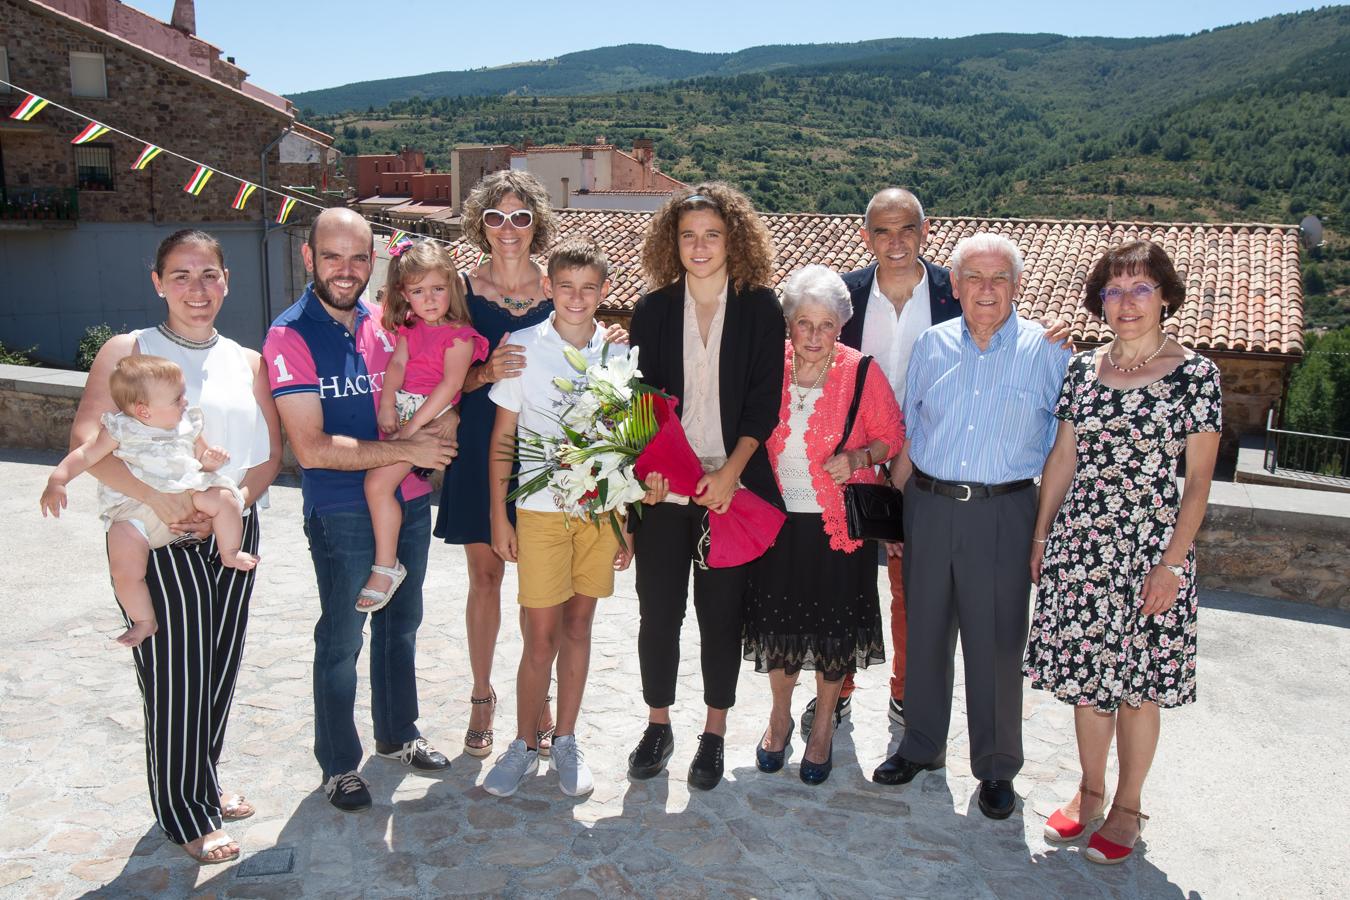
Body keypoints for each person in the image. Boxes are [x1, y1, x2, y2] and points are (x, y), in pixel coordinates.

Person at [66, 229, 282, 864]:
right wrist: (161, 501)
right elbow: (87, 444)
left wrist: (235, 504)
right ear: (157, 282)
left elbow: (267, 453)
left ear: (226, 281)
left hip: (229, 528)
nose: (197, 288)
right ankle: (185, 813)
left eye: (209, 274)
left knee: (215, 669)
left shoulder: (246, 360)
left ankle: (202, 783)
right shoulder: (129, 351)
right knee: (174, 677)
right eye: (181, 275)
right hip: (157, 537)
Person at [1025, 240, 1221, 864]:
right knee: (1088, 684)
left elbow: (1197, 483)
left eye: (1141, 288)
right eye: (1114, 290)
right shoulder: (1082, 370)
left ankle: (1128, 807)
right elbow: (1062, 458)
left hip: (1151, 552)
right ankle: (1088, 792)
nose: (1127, 302)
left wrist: (1172, 563)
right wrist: (1041, 535)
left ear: (1165, 296)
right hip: (1083, 548)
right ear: (1099, 303)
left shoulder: (1197, 375)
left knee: (1138, 688)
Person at [871, 232, 1072, 822]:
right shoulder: (932, 346)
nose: (986, 290)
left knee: (996, 644)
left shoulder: (1049, 352)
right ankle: (922, 746)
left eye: (998, 278)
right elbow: (912, 431)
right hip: (929, 506)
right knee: (925, 631)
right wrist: (896, 506)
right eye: (973, 279)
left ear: (1016, 286)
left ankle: (996, 767)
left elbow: (1068, 446)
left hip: (1005, 511)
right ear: (953, 286)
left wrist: (1043, 528)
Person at [264, 208, 457, 814]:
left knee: (402, 627)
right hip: (342, 509)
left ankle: (398, 733)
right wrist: (411, 447)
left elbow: (431, 383)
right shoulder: (289, 335)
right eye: (332, 257)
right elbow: (311, 447)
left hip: (410, 499)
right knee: (344, 637)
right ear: (308, 258)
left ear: (373, 261)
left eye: (357, 258)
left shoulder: (388, 321)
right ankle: (339, 764)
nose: (346, 270)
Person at [626, 182, 785, 791]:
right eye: (688, 235)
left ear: (733, 240)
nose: (699, 246)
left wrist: (730, 472)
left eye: (712, 235)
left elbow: (762, 405)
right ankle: (658, 724)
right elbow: (639, 401)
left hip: (732, 485)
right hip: (666, 487)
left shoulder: (760, 309)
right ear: (673, 241)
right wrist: (648, 467)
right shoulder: (652, 309)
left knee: (721, 615)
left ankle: (714, 732)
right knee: (658, 612)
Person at [482, 238, 636, 798]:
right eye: (565, 286)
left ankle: (566, 739)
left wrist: (625, 521)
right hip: (539, 513)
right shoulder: (522, 348)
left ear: (604, 292)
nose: (576, 297)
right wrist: (501, 518)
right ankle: (524, 743)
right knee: (540, 636)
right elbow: (503, 439)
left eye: (588, 288)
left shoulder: (618, 357)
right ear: (548, 289)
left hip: (597, 516)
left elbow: (624, 445)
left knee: (578, 628)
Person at [744, 265, 903, 785]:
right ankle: (779, 716)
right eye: (803, 324)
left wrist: (859, 456)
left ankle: (821, 733)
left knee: (834, 634)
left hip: (837, 529)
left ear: (841, 326)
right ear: (789, 324)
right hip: (777, 524)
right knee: (780, 629)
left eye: (826, 325)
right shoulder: (770, 366)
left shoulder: (862, 372)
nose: (813, 336)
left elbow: (891, 437)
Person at [812, 187, 961, 738]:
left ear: (927, 231)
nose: (895, 242)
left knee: (910, 588)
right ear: (865, 236)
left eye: (906, 230)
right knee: (842, 585)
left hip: (926, 465)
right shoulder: (843, 297)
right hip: (851, 464)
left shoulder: (956, 294)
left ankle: (905, 693)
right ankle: (837, 688)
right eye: (882, 231)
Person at [432, 170, 563, 759]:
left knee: (542, 589)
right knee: (484, 579)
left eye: (520, 217)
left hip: (542, 451)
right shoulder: (460, 290)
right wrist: (485, 374)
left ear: (536, 223)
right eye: (495, 216)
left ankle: (539, 698)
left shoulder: (558, 287)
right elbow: (432, 375)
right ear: (478, 222)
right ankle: (482, 695)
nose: (507, 229)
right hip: (478, 440)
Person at [41, 356, 257, 644]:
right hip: (134, 512)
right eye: (176, 398)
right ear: (143, 411)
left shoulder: (188, 424)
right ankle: (144, 620)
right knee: (124, 569)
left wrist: (211, 459)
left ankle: (230, 552)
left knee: (226, 498)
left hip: (188, 495)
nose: (184, 401)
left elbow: (201, 460)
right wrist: (58, 480)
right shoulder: (121, 429)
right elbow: (85, 454)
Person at [361, 240, 487, 612]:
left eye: (437, 288)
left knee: (376, 483)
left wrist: (411, 430)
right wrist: (386, 402)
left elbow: (450, 386)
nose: (430, 299)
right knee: (379, 484)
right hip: (404, 413)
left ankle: (387, 564)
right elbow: (396, 366)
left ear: (452, 286)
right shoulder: (410, 328)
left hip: (429, 419)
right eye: (418, 291)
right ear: (404, 294)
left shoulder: (460, 336)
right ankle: (386, 556)